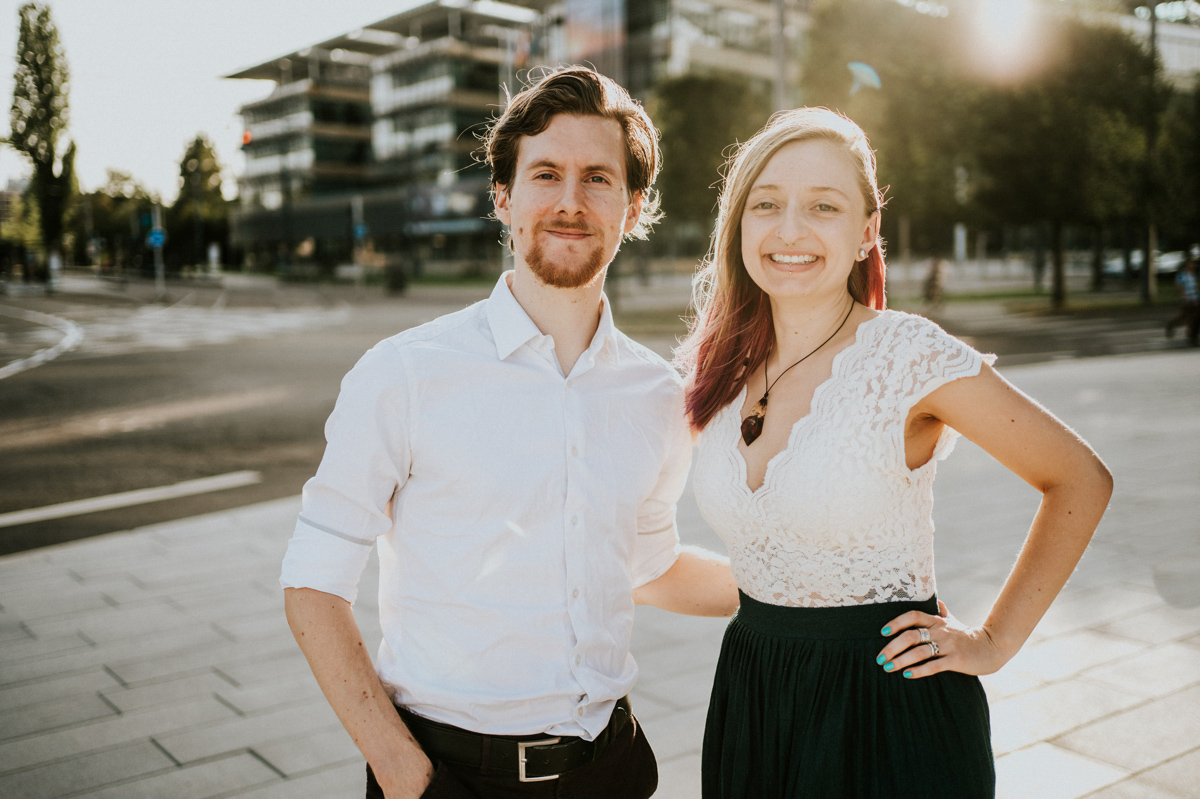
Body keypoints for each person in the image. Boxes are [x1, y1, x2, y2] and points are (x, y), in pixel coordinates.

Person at [280, 66, 739, 799]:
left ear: (633, 205)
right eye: (546, 174)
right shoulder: (404, 373)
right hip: (449, 778)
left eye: (597, 178)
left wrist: (813, 588)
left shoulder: (657, 395)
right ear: (504, 195)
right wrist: (404, 774)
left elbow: (646, 565)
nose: (568, 201)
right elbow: (312, 582)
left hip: (612, 770)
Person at [675, 108, 1113, 798]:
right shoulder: (725, 370)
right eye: (767, 204)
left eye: (824, 206)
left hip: (887, 708)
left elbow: (1079, 478)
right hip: (755, 696)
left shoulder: (909, 354)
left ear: (866, 232)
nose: (790, 229)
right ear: (740, 223)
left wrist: (994, 641)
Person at [1166, 251, 1198, 346]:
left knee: (1194, 318)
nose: (1192, 265)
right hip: (1187, 300)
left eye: (1193, 264)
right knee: (1183, 317)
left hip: (1195, 299)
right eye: (1190, 264)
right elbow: (1180, 287)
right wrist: (1184, 297)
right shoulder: (1182, 275)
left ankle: (1192, 336)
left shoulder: (1194, 275)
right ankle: (1171, 325)